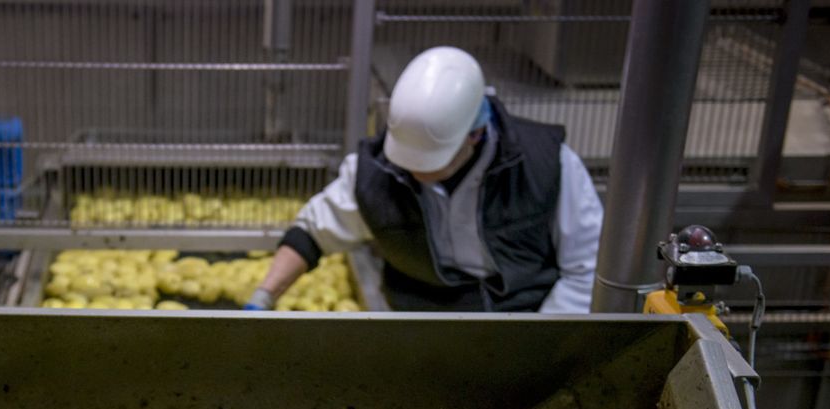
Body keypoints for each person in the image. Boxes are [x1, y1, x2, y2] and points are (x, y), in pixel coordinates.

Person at [246, 46, 602, 313]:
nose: (412, 171)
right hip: (419, 325)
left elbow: (587, 269)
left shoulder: (546, 165)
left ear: (474, 135)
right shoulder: (378, 171)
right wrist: (262, 299)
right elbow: (312, 233)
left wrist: (542, 348)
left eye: (429, 161)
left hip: (522, 318)